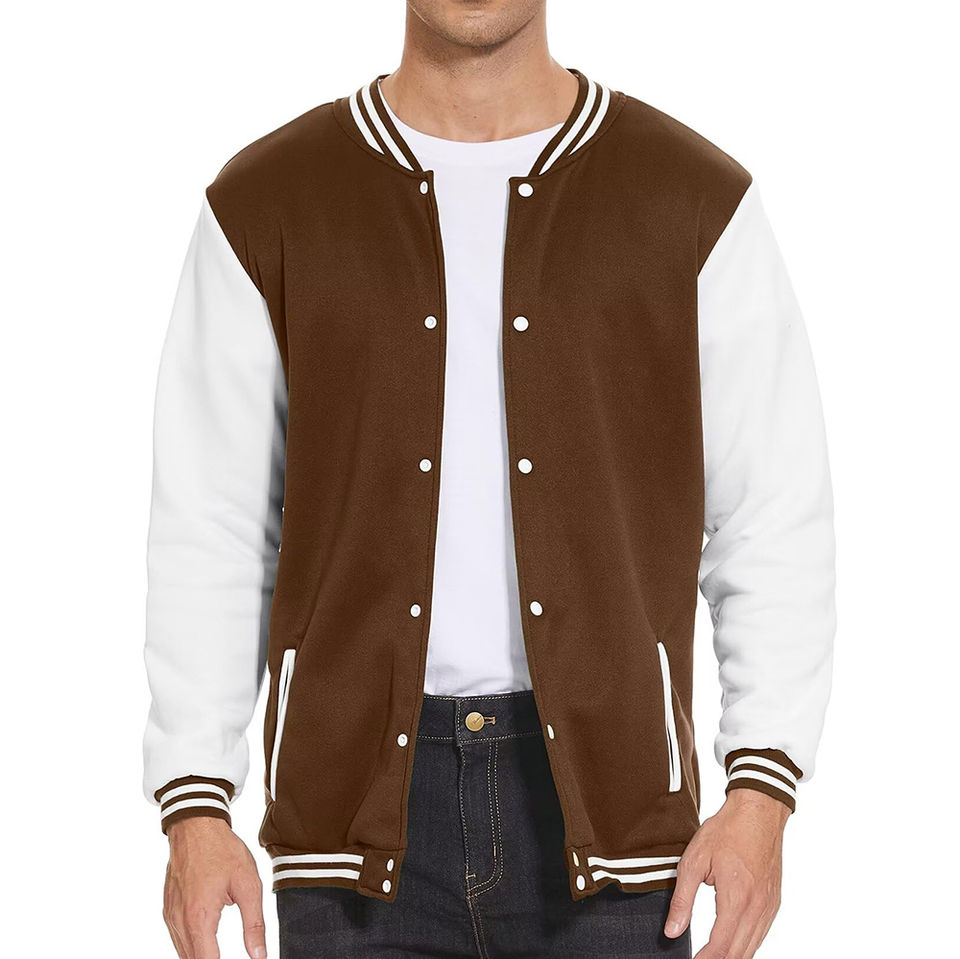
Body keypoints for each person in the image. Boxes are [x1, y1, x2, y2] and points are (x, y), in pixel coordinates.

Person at [143, 1, 835, 957]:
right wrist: (194, 801)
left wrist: (762, 786)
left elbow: (772, 516)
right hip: (350, 832)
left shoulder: (690, 201)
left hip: (617, 828)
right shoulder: (269, 204)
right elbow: (211, 526)